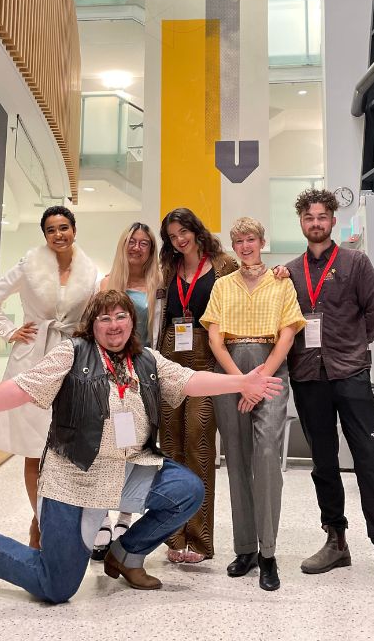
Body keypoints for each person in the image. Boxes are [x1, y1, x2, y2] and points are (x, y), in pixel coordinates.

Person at [0, 290, 284, 603]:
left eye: (121, 316)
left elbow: (189, 380)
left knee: (186, 489)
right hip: (75, 477)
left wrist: (240, 382)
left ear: (131, 322)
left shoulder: (147, 360)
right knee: (56, 586)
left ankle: (125, 555)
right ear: (92, 325)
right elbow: (20, 388)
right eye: (104, 319)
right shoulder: (71, 354)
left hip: (129, 468)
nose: (114, 325)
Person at [283, 188, 374, 599]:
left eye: (322, 216)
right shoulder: (289, 272)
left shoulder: (356, 263)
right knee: (322, 461)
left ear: (333, 220)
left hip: (351, 374)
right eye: (309, 218)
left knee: (369, 460)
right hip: (307, 375)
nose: (316, 223)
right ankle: (336, 540)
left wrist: (354, 347)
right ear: (301, 223)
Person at [0, 205, 98, 548]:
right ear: (44, 235)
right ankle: (41, 525)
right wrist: (9, 330)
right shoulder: (29, 264)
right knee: (35, 448)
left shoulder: (90, 272)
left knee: (65, 449)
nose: (58, 234)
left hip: (71, 362)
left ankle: (48, 522)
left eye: (64, 227)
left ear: (74, 229)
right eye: (51, 230)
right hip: (32, 360)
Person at [201, 217, 306, 591]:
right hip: (229, 369)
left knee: (264, 456)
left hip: (269, 368)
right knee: (236, 459)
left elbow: (288, 335)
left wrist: (258, 381)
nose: (245, 246)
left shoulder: (281, 283)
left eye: (251, 239)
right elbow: (215, 340)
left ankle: (268, 553)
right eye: (239, 240)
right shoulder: (222, 286)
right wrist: (240, 382)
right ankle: (245, 548)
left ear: (262, 241)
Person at [157, 207, 238, 564]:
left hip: (206, 361)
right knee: (170, 449)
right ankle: (174, 537)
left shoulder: (224, 264)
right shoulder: (168, 271)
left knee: (199, 443)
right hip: (169, 360)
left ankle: (201, 543)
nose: (179, 240)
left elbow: (252, 286)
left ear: (196, 228)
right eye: (173, 237)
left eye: (183, 232)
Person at [91, 221, 162, 560]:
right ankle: (102, 518)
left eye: (144, 243)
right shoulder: (105, 283)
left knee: (136, 448)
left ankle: (125, 516)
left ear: (151, 250)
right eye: (132, 241)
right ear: (123, 245)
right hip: (109, 377)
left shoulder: (158, 285)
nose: (137, 248)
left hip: (143, 376)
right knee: (108, 447)